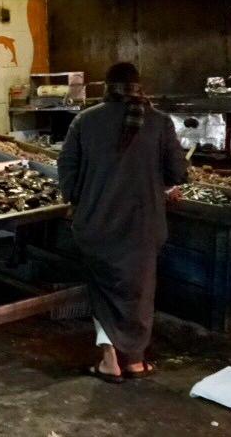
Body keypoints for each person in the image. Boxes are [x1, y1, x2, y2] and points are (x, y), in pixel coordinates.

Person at [57, 62, 186, 383]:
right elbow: (177, 173)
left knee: (103, 292)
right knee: (138, 293)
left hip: (96, 223)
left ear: (107, 87)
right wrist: (164, 184)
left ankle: (110, 361)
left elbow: (67, 167)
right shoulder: (158, 122)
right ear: (139, 87)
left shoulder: (85, 121)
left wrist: (78, 199)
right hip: (142, 226)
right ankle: (135, 362)